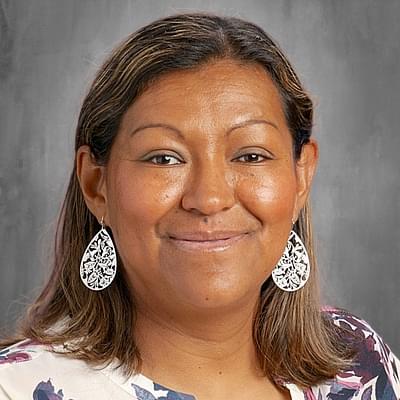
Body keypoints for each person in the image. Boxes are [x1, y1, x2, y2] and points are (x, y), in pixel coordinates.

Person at [0, 12, 398, 400]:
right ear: (96, 185)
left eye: (251, 156)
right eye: (164, 158)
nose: (209, 199)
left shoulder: (360, 363)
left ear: (302, 178)